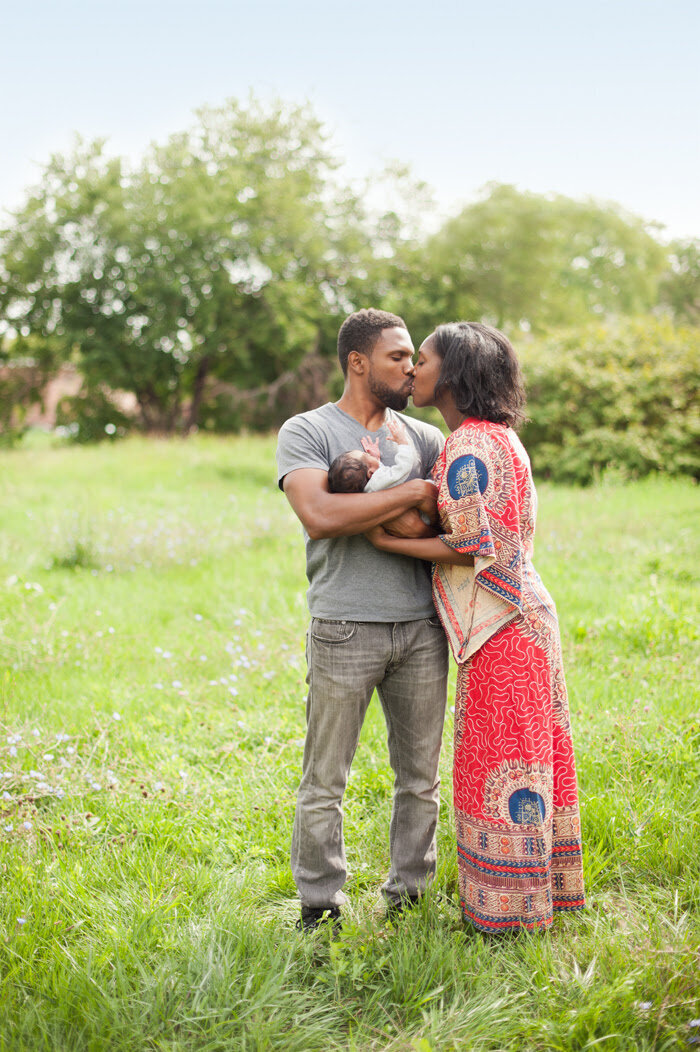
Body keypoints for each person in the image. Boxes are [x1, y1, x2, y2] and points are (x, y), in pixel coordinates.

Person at [366, 322, 585, 933]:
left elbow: (471, 546)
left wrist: (385, 538)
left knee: (497, 768)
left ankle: (506, 917)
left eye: (424, 360)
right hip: (522, 621)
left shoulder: (469, 446)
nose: (412, 370)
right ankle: (534, 901)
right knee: (525, 767)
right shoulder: (500, 438)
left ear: (454, 373)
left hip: (502, 628)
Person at [276, 308, 449, 932]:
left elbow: (447, 529)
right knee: (325, 778)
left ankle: (410, 895)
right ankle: (320, 906)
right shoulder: (307, 431)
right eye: (398, 357)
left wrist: (373, 506)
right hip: (344, 626)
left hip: (423, 628)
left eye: (412, 357)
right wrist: (407, 495)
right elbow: (319, 515)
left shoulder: (425, 439)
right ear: (358, 362)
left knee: (420, 780)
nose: (411, 367)